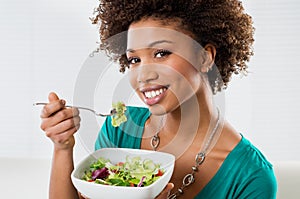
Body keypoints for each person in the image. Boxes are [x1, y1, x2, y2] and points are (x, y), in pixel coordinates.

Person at [39, 0, 277, 198]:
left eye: (161, 53)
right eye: (134, 60)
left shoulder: (250, 177)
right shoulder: (120, 127)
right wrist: (62, 148)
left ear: (205, 58)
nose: (143, 74)